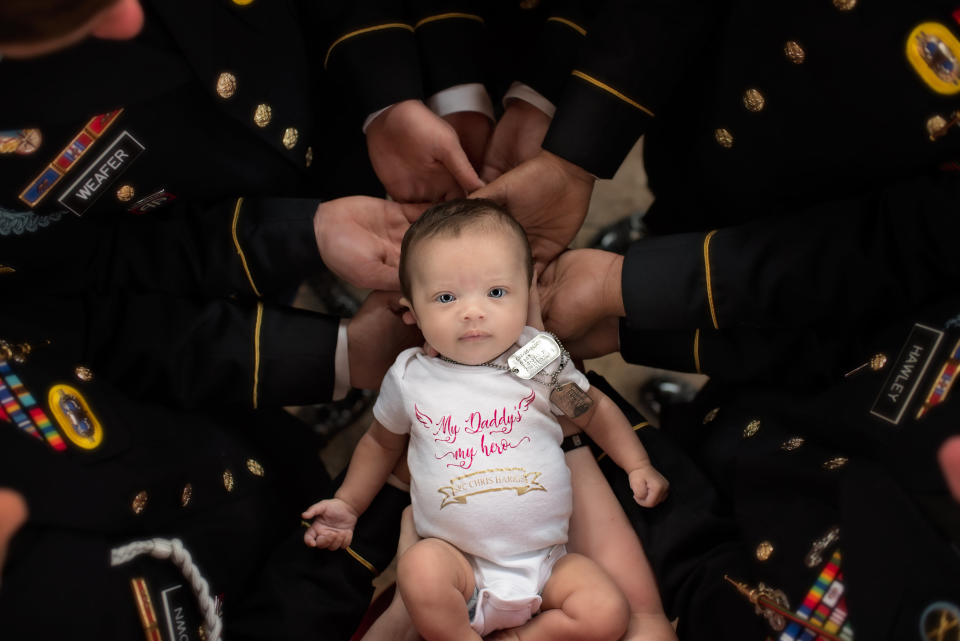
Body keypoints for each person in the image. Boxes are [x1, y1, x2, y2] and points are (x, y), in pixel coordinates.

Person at [468, 1, 960, 638]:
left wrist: (621, 329)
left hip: (759, 408)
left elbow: (885, 276)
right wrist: (582, 168)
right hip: (734, 159)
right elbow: (879, 332)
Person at [302, 199, 669, 641]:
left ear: (525, 289)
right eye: (445, 297)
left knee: (607, 610)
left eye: (496, 293)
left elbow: (590, 411)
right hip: (460, 564)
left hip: (548, 561)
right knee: (419, 570)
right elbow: (380, 444)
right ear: (413, 313)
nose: (472, 311)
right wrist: (348, 505)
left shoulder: (539, 361)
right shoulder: (410, 376)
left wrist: (636, 463)